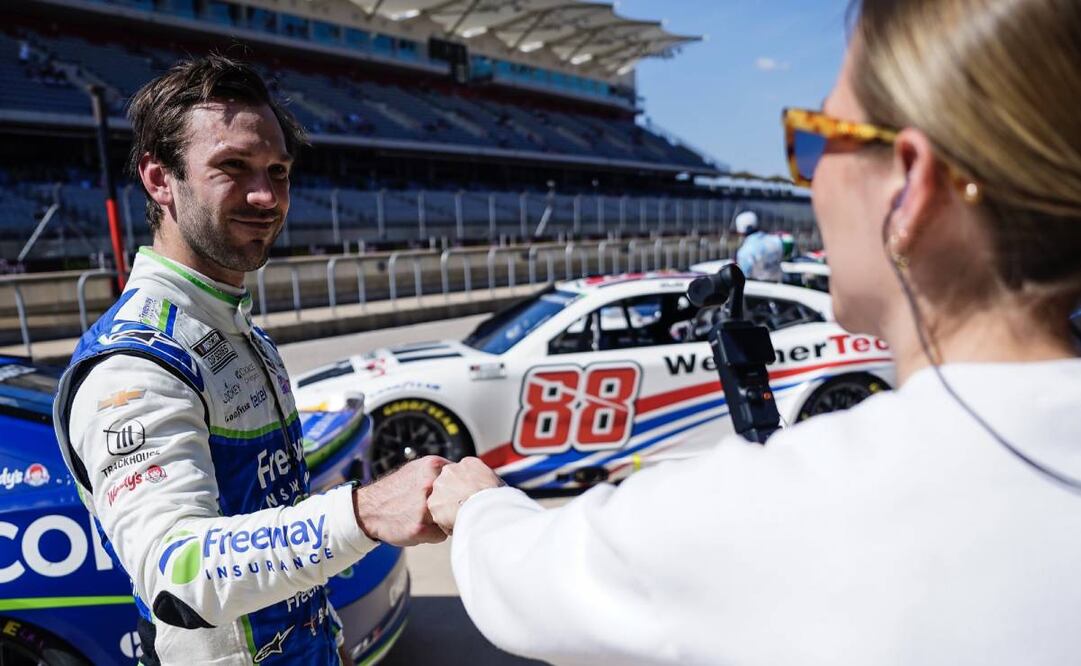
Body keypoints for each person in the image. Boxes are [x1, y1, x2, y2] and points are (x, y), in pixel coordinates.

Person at [427, 0, 1081, 663]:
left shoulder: (777, 509)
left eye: (812, 141)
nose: (810, 180)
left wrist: (477, 505)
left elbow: (525, 582)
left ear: (908, 184)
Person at [52, 55, 448, 666]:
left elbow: (274, 522)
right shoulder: (134, 364)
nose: (266, 196)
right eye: (232, 167)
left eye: (278, 171)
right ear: (159, 179)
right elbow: (176, 574)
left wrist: (330, 640)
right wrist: (365, 512)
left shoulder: (240, 333)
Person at [733, 210, 784, 281]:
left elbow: (744, 278)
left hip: (757, 287)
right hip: (779, 285)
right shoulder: (776, 240)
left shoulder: (745, 251)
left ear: (740, 231)